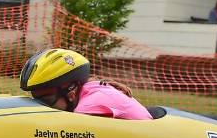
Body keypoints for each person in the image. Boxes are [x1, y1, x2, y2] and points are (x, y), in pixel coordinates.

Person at [20, 48, 153, 120]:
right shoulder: (88, 91)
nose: (42, 107)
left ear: (71, 92)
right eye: (36, 100)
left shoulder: (89, 106)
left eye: (46, 101)